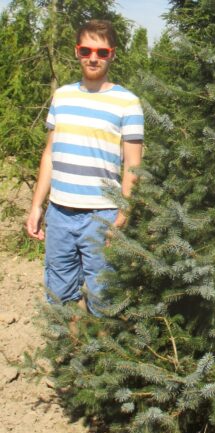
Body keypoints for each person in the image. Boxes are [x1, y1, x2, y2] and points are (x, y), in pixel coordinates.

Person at [26, 19, 144, 316]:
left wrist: (123, 213)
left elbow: (133, 165)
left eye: (101, 52)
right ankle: (66, 353)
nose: (93, 57)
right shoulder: (62, 96)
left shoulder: (127, 103)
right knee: (58, 292)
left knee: (105, 296)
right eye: (86, 50)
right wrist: (37, 206)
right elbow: (50, 154)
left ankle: (101, 358)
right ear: (77, 52)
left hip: (101, 216)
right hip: (60, 213)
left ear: (112, 54)